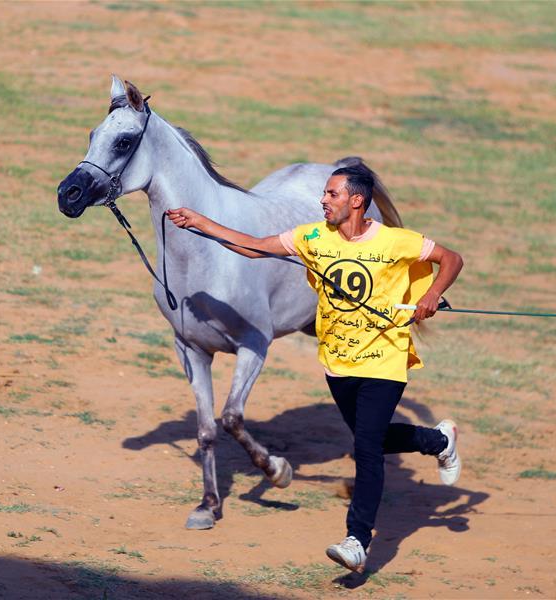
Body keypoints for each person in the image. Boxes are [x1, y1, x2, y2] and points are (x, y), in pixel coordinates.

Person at [166, 164, 463, 574]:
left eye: (332, 195)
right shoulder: (312, 238)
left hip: (385, 359)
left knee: (366, 450)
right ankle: (437, 440)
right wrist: (200, 221)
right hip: (338, 362)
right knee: (369, 437)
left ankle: (357, 541)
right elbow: (255, 247)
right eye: (324, 194)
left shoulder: (395, 242)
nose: (323, 200)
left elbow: (451, 258)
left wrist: (431, 294)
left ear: (357, 201)